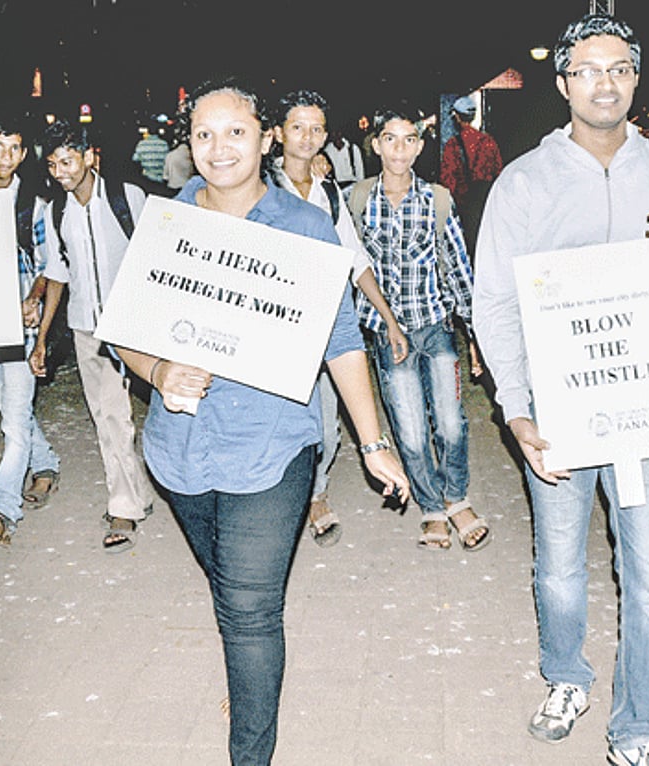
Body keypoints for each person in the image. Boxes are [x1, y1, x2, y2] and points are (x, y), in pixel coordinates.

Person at [112, 78, 409, 766]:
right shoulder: (168, 220)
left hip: (271, 450)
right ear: (188, 144)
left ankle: (250, 747)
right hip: (178, 452)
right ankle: (253, 686)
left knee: (249, 611)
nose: (220, 148)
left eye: (236, 132)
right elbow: (125, 328)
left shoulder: (303, 226)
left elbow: (340, 341)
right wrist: (158, 372)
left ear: (265, 138)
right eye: (205, 134)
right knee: (231, 592)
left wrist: (372, 443)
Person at [473, 13, 649, 765]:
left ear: (636, 78)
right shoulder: (525, 181)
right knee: (559, 566)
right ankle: (567, 677)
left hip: (646, 409)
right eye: (586, 69)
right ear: (563, 83)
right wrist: (516, 408)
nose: (603, 82)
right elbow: (496, 302)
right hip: (558, 410)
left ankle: (637, 724)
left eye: (617, 68)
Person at [271, 88, 409, 547]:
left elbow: (356, 258)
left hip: (327, 321)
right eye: (297, 127)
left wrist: (388, 318)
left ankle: (316, 494)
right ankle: (286, 499)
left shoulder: (329, 190)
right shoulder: (261, 186)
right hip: (274, 323)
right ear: (277, 133)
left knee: (327, 421)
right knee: (284, 418)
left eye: (316, 129)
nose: (307, 138)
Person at [349, 105, 487, 552]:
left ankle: (457, 498)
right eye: (391, 139)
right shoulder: (357, 200)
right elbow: (350, 264)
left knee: (450, 421)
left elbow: (458, 270)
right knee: (408, 426)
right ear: (376, 145)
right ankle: (431, 508)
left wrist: (476, 336)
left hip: (435, 324)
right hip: (388, 334)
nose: (400, 149)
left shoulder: (437, 198)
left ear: (421, 146)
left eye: (410, 140)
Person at [30, 120, 157, 553]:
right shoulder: (56, 210)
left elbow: (155, 255)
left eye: (67, 161)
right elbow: (57, 274)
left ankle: (133, 499)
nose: (60, 172)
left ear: (89, 156)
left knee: (132, 415)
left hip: (133, 325)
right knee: (108, 415)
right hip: (87, 327)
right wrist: (44, 337)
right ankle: (130, 498)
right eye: (52, 164)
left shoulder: (127, 198)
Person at [0, 118, 61, 546]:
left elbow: (49, 264)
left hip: (20, 326)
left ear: (23, 155)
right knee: (12, 412)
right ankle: (47, 464)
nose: (5, 155)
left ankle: (2, 509)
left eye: (14, 148)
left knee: (13, 425)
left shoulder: (34, 205)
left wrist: (33, 300)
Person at [438, 94, 502, 252]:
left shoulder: (452, 145)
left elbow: (448, 180)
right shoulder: (489, 141)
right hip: (485, 205)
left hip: (463, 206)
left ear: (457, 117)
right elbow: (498, 172)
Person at [323, 125, 364, 189]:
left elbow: (359, 170)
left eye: (338, 133)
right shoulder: (327, 151)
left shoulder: (352, 149)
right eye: (333, 133)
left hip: (352, 184)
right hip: (336, 186)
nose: (336, 135)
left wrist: (361, 187)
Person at [162, 125, 195, 190]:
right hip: (188, 187)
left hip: (173, 187)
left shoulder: (170, 155)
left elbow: (165, 176)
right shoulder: (193, 156)